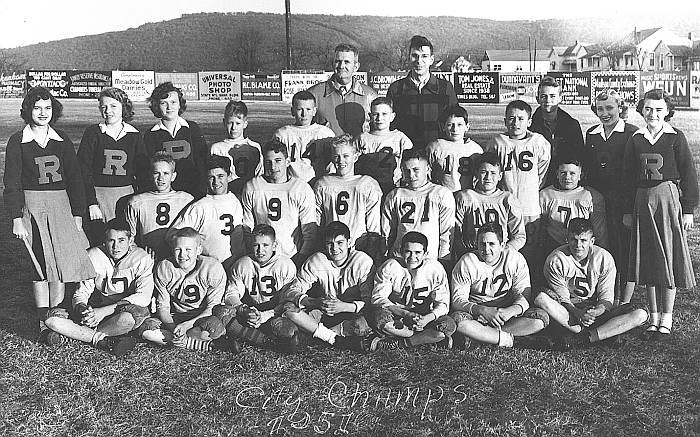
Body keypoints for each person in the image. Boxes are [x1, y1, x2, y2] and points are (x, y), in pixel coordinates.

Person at [3, 86, 95, 343]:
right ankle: (43, 318)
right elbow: (12, 183)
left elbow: (75, 178)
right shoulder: (17, 140)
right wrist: (16, 218)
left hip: (60, 204)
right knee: (40, 263)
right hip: (31, 205)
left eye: (47, 108)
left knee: (60, 262)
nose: (42, 113)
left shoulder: (61, 139)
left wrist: (77, 213)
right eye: (37, 107)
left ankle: (58, 315)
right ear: (27, 110)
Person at [622, 89, 698, 339]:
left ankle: (667, 317)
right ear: (641, 109)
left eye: (658, 110)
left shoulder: (675, 137)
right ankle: (653, 318)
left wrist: (688, 210)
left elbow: (688, 175)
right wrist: (627, 211)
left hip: (666, 200)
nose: (653, 114)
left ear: (667, 112)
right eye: (648, 109)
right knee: (647, 259)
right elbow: (628, 176)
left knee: (666, 257)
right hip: (642, 201)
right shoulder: (636, 138)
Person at [44, 219, 152, 356]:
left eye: (121, 240)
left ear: (131, 241)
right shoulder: (94, 255)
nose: (115, 246)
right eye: (111, 240)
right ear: (104, 241)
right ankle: (101, 339)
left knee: (130, 318)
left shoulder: (141, 258)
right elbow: (81, 293)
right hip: (97, 310)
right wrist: (84, 309)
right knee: (52, 319)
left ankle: (76, 335)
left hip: (121, 311)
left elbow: (144, 297)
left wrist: (103, 311)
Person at [534, 218, 648, 348]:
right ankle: (602, 334)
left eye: (583, 240)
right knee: (541, 298)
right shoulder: (556, 260)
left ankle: (584, 339)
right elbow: (563, 298)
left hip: (596, 314)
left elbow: (606, 298)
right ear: (567, 239)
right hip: (568, 314)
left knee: (641, 313)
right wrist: (578, 313)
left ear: (592, 241)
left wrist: (595, 312)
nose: (578, 245)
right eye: (574, 239)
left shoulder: (604, 258)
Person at [139, 227, 239, 352]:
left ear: (198, 250)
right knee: (146, 329)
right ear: (172, 250)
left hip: (202, 318)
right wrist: (174, 328)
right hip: (175, 317)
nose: (182, 255)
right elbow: (163, 307)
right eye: (178, 249)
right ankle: (206, 345)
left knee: (215, 326)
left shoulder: (212, 268)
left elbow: (212, 308)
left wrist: (187, 326)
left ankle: (182, 340)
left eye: (188, 249)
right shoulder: (165, 268)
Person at [451, 223, 549, 348]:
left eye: (491, 244)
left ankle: (483, 338)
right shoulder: (468, 262)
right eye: (482, 244)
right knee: (459, 322)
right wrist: (482, 310)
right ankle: (514, 341)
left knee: (540, 319)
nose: (486, 249)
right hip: (478, 315)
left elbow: (524, 296)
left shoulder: (515, 259)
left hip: (506, 314)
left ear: (502, 245)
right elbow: (457, 300)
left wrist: (510, 311)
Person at [281, 221, 374, 350]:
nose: (335, 248)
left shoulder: (362, 261)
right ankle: (334, 339)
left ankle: (315, 336)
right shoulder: (317, 259)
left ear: (349, 242)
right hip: (324, 311)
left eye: (340, 243)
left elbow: (370, 301)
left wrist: (344, 306)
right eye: (330, 244)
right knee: (289, 310)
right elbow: (292, 290)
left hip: (351, 312)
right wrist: (314, 302)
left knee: (362, 325)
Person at [585, 89, 638, 305]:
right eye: (600, 109)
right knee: (601, 248)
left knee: (623, 250)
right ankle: (603, 298)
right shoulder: (592, 133)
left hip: (622, 202)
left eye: (610, 108)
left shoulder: (632, 133)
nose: (605, 113)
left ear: (620, 108)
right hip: (598, 202)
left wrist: (628, 210)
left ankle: (623, 303)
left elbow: (633, 175)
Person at [486, 99, 550, 277]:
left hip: (529, 206)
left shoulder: (539, 142)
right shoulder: (497, 142)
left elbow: (542, 173)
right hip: (504, 205)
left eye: (521, 119)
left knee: (530, 249)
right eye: (512, 118)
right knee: (506, 246)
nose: (516, 123)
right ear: (505, 121)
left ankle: (529, 288)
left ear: (529, 121)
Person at [213, 224, 299, 352]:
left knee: (289, 329)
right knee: (221, 312)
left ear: (274, 245)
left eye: (265, 245)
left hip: (274, 313)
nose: (260, 250)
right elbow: (231, 294)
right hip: (251, 312)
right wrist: (244, 310)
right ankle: (266, 340)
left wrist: (265, 316)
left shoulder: (285, 265)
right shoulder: (242, 264)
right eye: (256, 245)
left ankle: (248, 336)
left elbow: (287, 301)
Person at [77, 87, 146, 245]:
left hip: (127, 196)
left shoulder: (134, 135)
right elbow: (83, 171)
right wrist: (91, 202)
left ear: (124, 107)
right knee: (101, 240)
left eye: (113, 106)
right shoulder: (93, 133)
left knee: (125, 240)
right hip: (99, 196)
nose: (108, 111)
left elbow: (142, 173)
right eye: (103, 107)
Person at [366, 231, 456, 351]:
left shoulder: (435, 269)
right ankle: (425, 339)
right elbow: (378, 298)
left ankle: (398, 342)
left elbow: (443, 304)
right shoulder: (390, 266)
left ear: (426, 253)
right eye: (408, 251)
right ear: (401, 251)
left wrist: (427, 319)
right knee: (379, 318)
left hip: (423, 317)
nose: (412, 257)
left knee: (449, 326)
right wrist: (405, 314)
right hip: (397, 316)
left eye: (418, 252)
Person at [241, 140, 317, 266]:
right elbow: (247, 228)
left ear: (287, 162)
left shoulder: (300, 188)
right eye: (268, 162)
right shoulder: (253, 186)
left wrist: (301, 258)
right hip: (262, 258)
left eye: (278, 161)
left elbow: (309, 232)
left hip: (291, 257)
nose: (273, 167)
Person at [166, 155, 246, 267]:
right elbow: (172, 234)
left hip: (236, 264)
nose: (216, 182)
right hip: (208, 267)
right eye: (211, 177)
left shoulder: (238, 201)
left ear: (229, 176)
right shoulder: (200, 206)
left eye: (220, 176)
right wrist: (193, 242)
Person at [538, 159, 607, 285]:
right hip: (554, 245)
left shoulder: (590, 196)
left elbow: (599, 231)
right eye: (563, 172)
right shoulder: (546, 195)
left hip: (582, 248)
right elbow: (541, 227)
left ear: (580, 175)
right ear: (557, 174)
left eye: (572, 173)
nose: (567, 177)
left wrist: (599, 253)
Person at [381, 149, 455, 262]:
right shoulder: (395, 195)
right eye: (406, 171)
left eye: (416, 170)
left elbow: (446, 233)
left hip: (429, 260)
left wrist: (444, 260)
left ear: (428, 169)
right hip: (400, 259)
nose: (411, 175)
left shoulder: (441, 194)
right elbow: (387, 232)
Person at [386, 35, 458, 149]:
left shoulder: (446, 88)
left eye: (424, 56)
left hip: (438, 153)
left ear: (431, 60)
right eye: (415, 56)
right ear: (409, 57)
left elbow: (456, 123)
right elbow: (389, 126)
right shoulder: (396, 89)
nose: (419, 61)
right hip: (407, 155)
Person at [313, 135, 382, 246]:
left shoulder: (367, 184)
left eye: (346, 156)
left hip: (358, 247)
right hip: (332, 247)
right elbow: (317, 223)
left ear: (355, 157)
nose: (341, 161)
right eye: (337, 156)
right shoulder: (323, 184)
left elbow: (373, 226)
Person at [143, 82, 208, 198]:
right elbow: (150, 167)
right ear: (157, 106)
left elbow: (202, 160)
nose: (169, 107)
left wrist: (202, 188)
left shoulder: (192, 128)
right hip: (165, 193)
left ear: (179, 104)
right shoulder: (151, 134)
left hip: (193, 189)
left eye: (173, 102)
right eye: (164, 103)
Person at [124, 152, 194, 259]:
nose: (161, 178)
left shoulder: (186, 199)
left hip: (179, 256)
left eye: (166, 173)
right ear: (150, 175)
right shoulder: (136, 202)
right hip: (149, 257)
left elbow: (193, 233)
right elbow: (129, 238)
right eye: (156, 173)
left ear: (173, 176)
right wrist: (140, 250)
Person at [454, 152, 525, 257]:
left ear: (500, 176)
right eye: (483, 172)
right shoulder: (465, 197)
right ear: (477, 173)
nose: (488, 177)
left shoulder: (507, 199)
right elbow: (456, 232)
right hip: (472, 253)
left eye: (493, 173)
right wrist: (466, 253)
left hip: (500, 254)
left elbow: (519, 237)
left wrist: (501, 252)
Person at [307, 43, 377, 136]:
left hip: (358, 150)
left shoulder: (370, 95)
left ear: (356, 67)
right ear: (333, 63)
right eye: (338, 61)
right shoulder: (314, 94)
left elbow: (377, 132)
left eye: (347, 62)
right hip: (326, 149)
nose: (341, 66)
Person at [529, 76, 587, 186]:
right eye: (543, 96)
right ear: (537, 99)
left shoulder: (572, 125)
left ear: (560, 98)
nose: (548, 100)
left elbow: (579, 157)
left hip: (564, 181)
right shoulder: (530, 125)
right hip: (537, 180)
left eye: (552, 96)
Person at [273, 90, 335, 182]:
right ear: (292, 111)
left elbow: (332, 166)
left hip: (318, 184)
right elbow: (275, 165)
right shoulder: (282, 134)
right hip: (291, 186)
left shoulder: (325, 134)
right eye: (299, 109)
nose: (304, 114)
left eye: (308, 109)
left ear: (314, 111)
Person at [355, 97, 413, 194]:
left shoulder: (401, 139)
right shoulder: (362, 138)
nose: (379, 118)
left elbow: (410, 164)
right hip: (366, 189)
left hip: (392, 188)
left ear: (392, 116)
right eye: (375, 114)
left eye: (384, 114)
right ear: (370, 116)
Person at [210, 100, 263, 195]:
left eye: (238, 123)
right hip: (225, 195)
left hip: (249, 194)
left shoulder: (254, 147)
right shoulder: (217, 148)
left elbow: (259, 176)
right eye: (230, 123)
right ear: (224, 122)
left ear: (245, 124)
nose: (234, 127)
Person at [426, 105, 483, 192]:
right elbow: (427, 173)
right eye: (450, 125)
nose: (455, 129)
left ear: (467, 127)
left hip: (467, 195)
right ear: (443, 127)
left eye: (459, 124)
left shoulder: (475, 149)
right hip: (441, 195)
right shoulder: (435, 146)